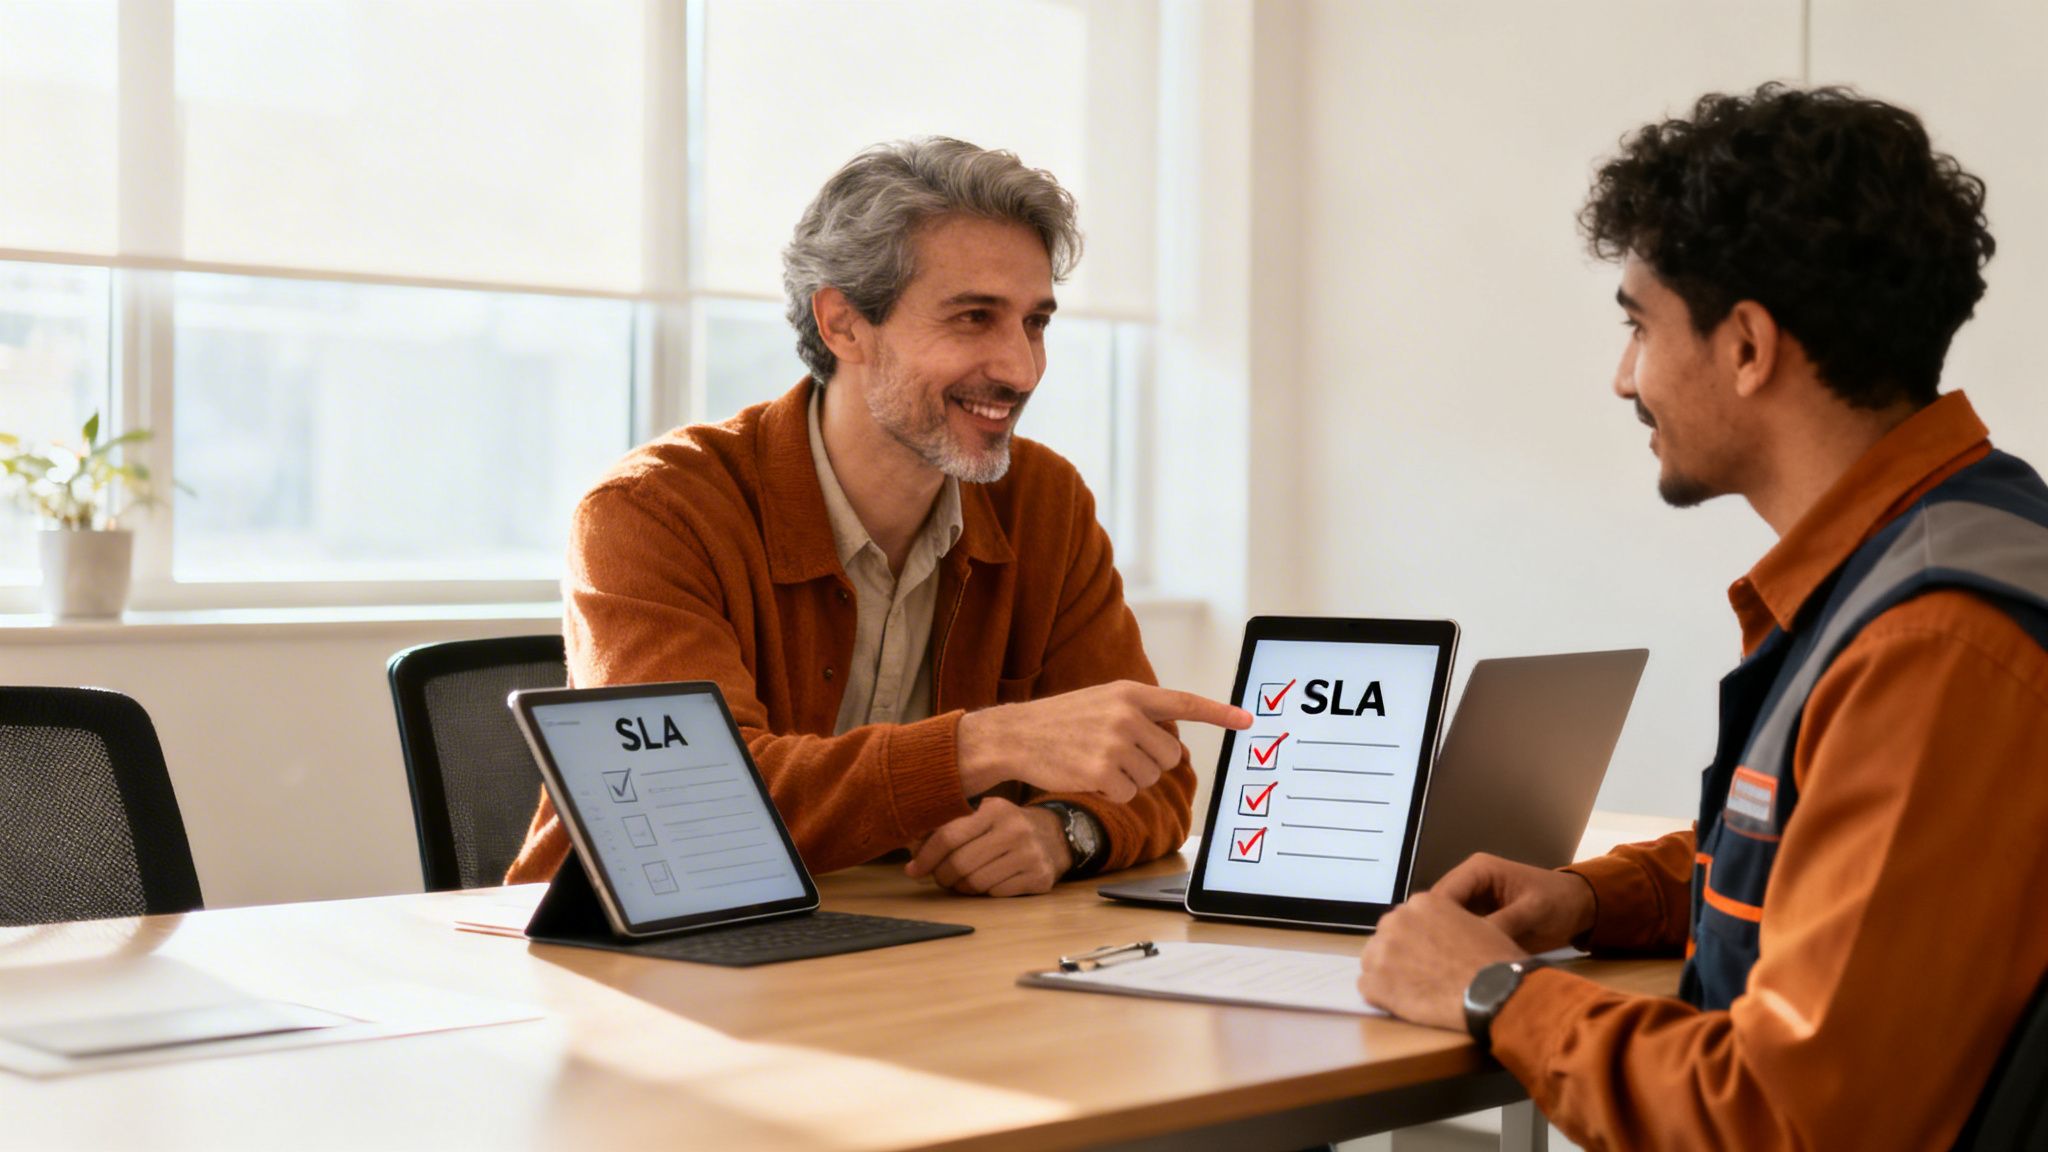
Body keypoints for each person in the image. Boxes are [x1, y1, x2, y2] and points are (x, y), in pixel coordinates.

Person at [1358, 84, 2048, 1147]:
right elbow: (1826, 880)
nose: (1621, 377)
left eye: (1637, 326)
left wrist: (1494, 992)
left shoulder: (1932, 644)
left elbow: (1783, 1119)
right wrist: (1588, 900)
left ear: (1744, 347)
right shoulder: (1949, 545)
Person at [507, 137, 1250, 897]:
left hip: (902, 955)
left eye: (1034, 323)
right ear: (843, 324)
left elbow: (1149, 774)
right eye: (973, 317)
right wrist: (982, 746)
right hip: (624, 961)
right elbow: (686, 809)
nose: (1022, 369)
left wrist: (1061, 832)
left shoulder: (1044, 503)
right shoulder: (653, 512)